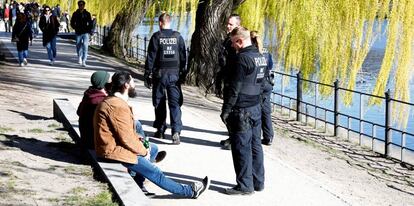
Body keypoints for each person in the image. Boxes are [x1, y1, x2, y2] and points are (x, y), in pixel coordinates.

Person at [94, 71, 209, 198]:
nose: (134, 85)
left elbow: (122, 132)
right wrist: (143, 151)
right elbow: (126, 139)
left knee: (153, 148)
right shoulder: (117, 106)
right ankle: (190, 191)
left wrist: (141, 141)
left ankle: (138, 184)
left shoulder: (114, 101)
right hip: (113, 152)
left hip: (114, 147)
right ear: (126, 85)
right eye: (132, 81)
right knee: (155, 172)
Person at [220, 27, 266, 195]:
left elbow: (235, 88)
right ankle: (258, 181)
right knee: (255, 146)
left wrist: (226, 110)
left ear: (239, 41)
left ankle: (245, 186)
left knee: (241, 147)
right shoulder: (261, 57)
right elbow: (263, 85)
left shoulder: (242, 59)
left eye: (233, 43)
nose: (232, 46)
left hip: (242, 111)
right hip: (255, 108)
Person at [144, 13, 187, 144]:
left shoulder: (157, 37)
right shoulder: (178, 37)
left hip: (160, 75)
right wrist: (183, 74)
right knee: (175, 104)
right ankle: (176, 131)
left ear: (160, 23)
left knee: (159, 103)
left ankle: (161, 130)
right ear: (170, 22)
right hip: (174, 76)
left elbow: (151, 57)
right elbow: (183, 56)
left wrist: (147, 74)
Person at [217, 14, 242, 150]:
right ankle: (231, 137)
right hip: (227, 78)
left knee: (230, 111)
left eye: (231, 24)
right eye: (227, 24)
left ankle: (235, 140)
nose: (227, 26)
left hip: (233, 81)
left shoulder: (238, 41)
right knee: (228, 111)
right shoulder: (228, 39)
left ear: (237, 25)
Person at [251, 31, 275, 146]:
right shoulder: (266, 52)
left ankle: (255, 135)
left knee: (256, 110)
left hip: (258, 84)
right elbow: (270, 66)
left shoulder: (252, 53)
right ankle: (268, 137)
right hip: (268, 84)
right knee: (266, 111)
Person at [70, 0, 92, 67]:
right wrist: (75, 27)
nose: (81, 6)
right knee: (78, 45)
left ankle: (84, 60)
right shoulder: (75, 13)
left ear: (84, 5)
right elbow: (72, 22)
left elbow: (90, 23)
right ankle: (79, 57)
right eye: (80, 5)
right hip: (78, 32)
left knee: (85, 46)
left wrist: (88, 30)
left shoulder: (87, 14)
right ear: (78, 5)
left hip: (85, 32)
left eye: (82, 5)